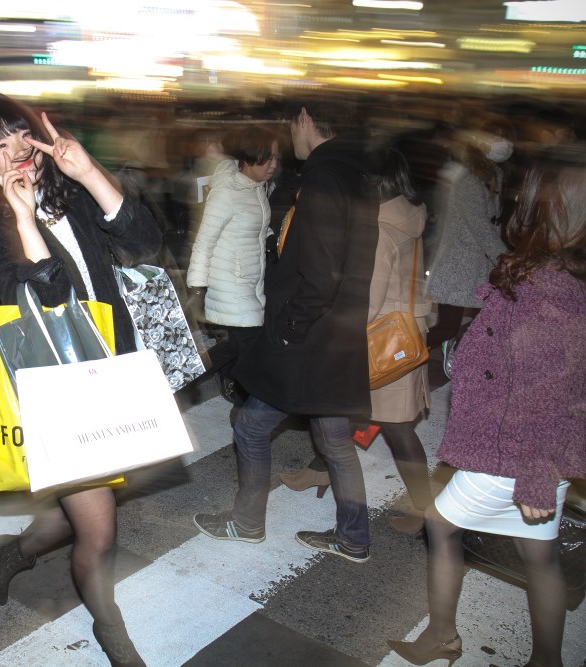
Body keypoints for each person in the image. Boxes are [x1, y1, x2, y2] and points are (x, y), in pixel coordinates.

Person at [0, 95, 162, 667]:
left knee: (88, 505)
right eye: (0, 145)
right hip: (58, 387)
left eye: (22, 137)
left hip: (115, 372)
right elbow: (46, 301)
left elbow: (146, 245)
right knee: (99, 530)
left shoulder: (72, 194)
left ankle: (17, 552)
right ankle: (110, 629)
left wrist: (91, 173)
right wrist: (24, 218)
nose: (18, 153)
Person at [388, 143, 586, 667]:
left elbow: (549, 390)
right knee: (538, 554)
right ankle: (546, 661)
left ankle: (442, 638)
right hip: (535, 448)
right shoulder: (561, 274)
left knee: (439, 523)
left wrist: (537, 476)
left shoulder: (547, 288)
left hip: (514, 452)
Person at [193, 98, 378, 563]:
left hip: (309, 337)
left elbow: (320, 270)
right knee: (334, 441)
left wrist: (291, 328)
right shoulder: (358, 173)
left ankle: (247, 523)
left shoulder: (324, 176)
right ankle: (354, 537)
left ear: (306, 119)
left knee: (250, 425)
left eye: (294, 124)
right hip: (340, 333)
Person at [278, 147, 435, 536]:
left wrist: (329, 329)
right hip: (404, 331)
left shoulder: (380, 227)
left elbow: (369, 299)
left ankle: (427, 512)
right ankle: (320, 471)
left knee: (396, 429)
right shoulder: (408, 213)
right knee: (348, 414)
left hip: (381, 337)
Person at [186, 125, 277, 399]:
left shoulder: (258, 188)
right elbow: (204, 241)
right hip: (230, 283)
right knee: (250, 346)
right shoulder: (227, 192)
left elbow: (256, 228)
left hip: (251, 282)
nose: (274, 165)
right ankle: (248, 405)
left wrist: (272, 239)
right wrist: (197, 288)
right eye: (268, 158)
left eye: (276, 157)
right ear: (249, 157)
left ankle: (186, 379)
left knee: (234, 347)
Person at [425, 118, 513, 373]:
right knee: (447, 327)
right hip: (459, 265)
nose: (505, 143)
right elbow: (481, 227)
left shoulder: (495, 175)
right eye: (497, 135)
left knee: (484, 322)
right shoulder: (468, 180)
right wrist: (506, 259)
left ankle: (460, 355)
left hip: (480, 266)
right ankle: (404, 355)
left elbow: (494, 222)